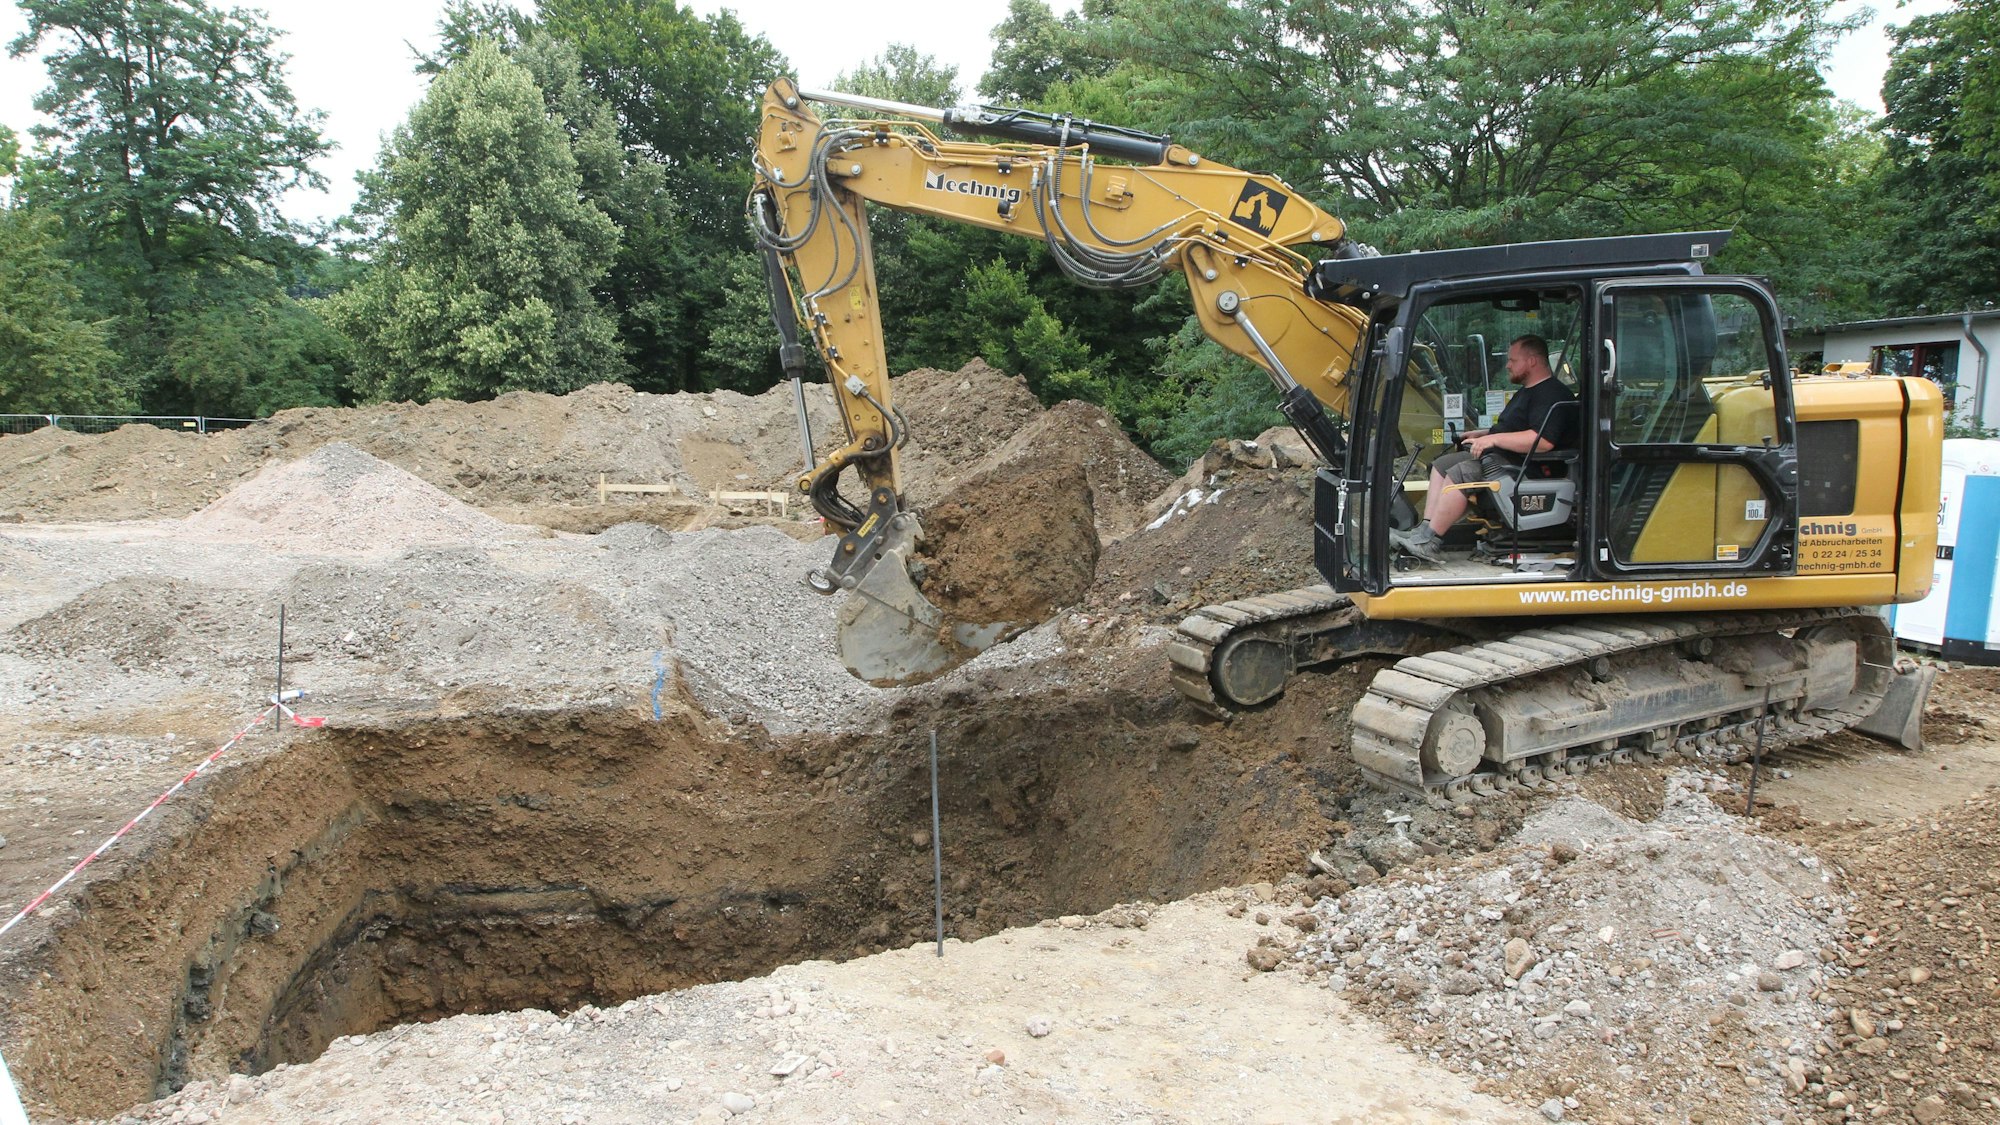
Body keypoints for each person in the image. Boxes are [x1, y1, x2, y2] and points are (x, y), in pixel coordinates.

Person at [1391, 334, 1577, 562]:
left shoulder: (1551, 394)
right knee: (1442, 465)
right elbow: (1515, 428)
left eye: (1513, 360)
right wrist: (1484, 434)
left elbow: (1543, 440)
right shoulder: (1529, 391)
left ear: (1532, 361)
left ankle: (1431, 543)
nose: (1508, 365)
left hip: (1529, 468)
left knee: (1461, 472)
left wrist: (1493, 440)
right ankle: (1424, 531)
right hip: (1509, 458)